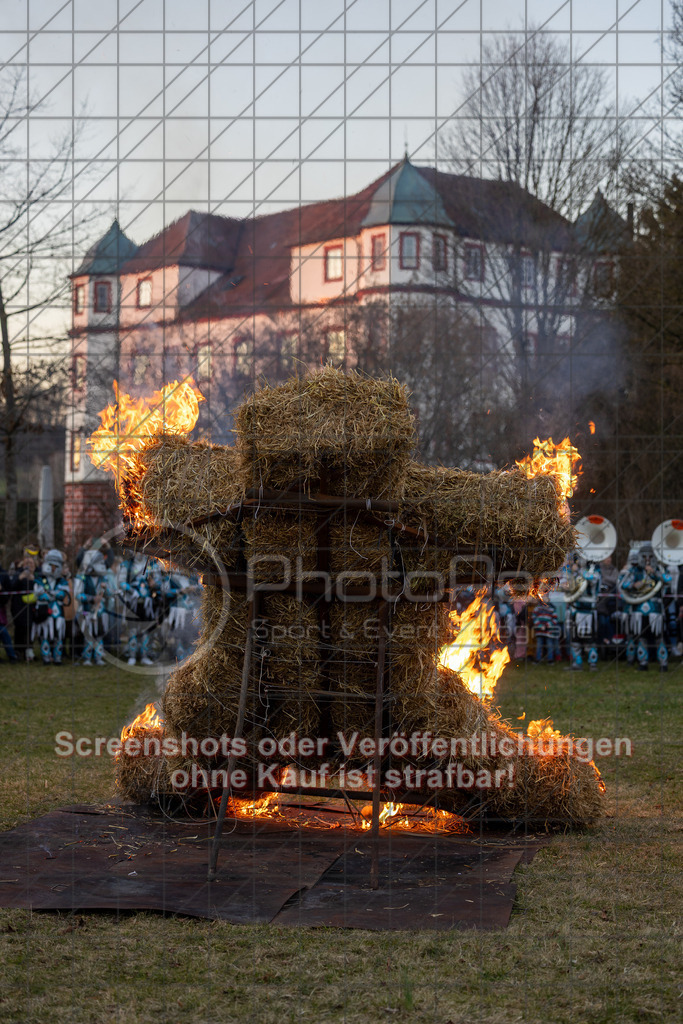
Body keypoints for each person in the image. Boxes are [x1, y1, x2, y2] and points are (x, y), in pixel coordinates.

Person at [32, 549, 71, 665]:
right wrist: (51, 595)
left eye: (56, 566)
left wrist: (51, 594)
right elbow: (39, 593)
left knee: (58, 635)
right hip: (45, 611)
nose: (53, 568)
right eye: (51, 565)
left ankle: (57, 657)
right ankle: (46, 657)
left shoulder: (62, 581)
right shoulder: (40, 579)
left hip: (58, 612)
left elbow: (63, 594)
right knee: (45, 634)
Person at [9, 547, 39, 662]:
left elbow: (40, 587)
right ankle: (18, 651)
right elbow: (11, 587)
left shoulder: (36, 575)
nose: (28, 565)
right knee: (20, 629)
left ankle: (29, 651)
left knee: (29, 629)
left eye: (31, 563)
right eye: (26, 563)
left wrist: (33, 579)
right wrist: (20, 577)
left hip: (31, 607)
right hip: (18, 607)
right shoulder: (18, 573)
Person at [531, 598, 561, 664]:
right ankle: (537, 659)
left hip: (549, 631)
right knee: (539, 645)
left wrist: (547, 625)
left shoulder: (552, 608)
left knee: (549, 645)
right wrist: (540, 626)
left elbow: (555, 619)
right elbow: (534, 617)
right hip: (539, 631)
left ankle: (550, 659)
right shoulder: (537, 608)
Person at [0, 566, 19, 663]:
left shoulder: (3, 574)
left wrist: (1, 589)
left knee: (3, 632)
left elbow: (7, 596)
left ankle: (12, 655)